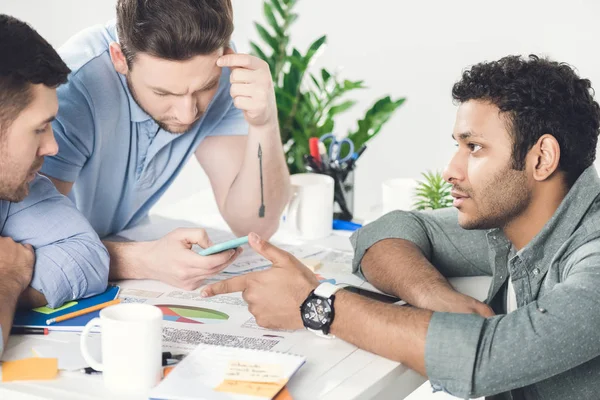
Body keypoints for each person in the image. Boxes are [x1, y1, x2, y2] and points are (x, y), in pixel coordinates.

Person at [202, 55, 600, 399]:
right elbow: (389, 230)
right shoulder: (517, 224)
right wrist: (437, 297)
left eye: (474, 147)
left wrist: (316, 305)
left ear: (542, 158)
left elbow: (486, 360)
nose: (451, 170)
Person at [40, 0, 291, 290]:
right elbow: (34, 243)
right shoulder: (70, 88)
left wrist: (264, 123)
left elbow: (255, 226)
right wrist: (143, 260)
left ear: (227, 55)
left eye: (204, 88)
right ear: (119, 58)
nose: (188, 114)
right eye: (163, 93)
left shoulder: (227, 76)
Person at [0, 15, 109, 354]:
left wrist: (11, 292)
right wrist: (7, 277)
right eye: (39, 128)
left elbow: (88, 256)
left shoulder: (15, 185)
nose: (52, 147)